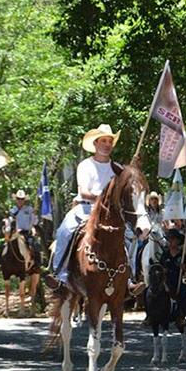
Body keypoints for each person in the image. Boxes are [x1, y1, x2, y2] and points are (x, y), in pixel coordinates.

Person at [45, 123, 144, 296]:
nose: (107, 144)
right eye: (103, 141)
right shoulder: (85, 165)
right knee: (65, 231)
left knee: (130, 236)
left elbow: (128, 189)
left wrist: (131, 170)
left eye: (110, 141)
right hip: (85, 209)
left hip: (110, 214)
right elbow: (84, 192)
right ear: (95, 143)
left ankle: (129, 280)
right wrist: (102, 199)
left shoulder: (117, 169)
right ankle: (59, 275)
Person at [160, 228, 186, 319]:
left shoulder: (181, 255)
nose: (171, 242)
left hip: (178, 281)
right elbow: (160, 266)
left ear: (178, 241)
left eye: (173, 239)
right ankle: (153, 315)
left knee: (184, 295)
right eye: (169, 239)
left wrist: (183, 267)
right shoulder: (165, 254)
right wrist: (163, 270)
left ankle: (181, 316)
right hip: (166, 281)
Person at [8, 189, 39, 257]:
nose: (20, 200)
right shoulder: (12, 210)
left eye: (22, 199)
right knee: (5, 247)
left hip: (26, 233)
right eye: (18, 198)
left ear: (24, 200)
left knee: (35, 246)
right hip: (15, 233)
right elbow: (9, 222)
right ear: (16, 199)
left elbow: (35, 222)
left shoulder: (29, 209)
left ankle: (37, 262)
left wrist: (35, 215)